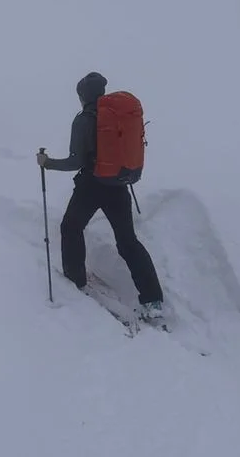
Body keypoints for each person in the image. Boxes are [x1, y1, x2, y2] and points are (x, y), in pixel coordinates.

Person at [38, 71, 164, 315]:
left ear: (82, 96)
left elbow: (76, 162)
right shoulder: (117, 117)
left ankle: (75, 280)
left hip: (91, 186)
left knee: (71, 228)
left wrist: (47, 163)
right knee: (128, 242)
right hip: (118, 185)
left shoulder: (84, 120)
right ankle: (153, 299)